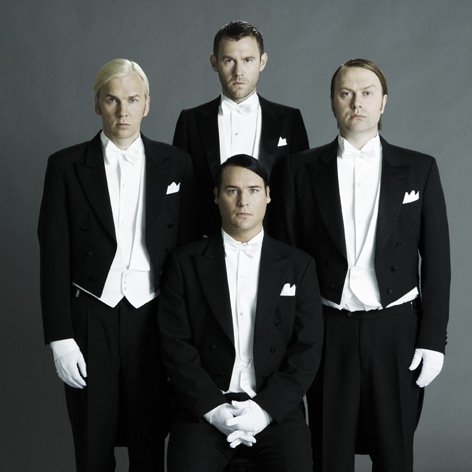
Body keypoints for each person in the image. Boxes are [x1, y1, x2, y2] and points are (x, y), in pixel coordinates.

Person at [268, 58, 450, 472]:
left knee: (395, 455)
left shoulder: (420, 168)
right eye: (346, 93)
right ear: (332, 101)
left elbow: (438, 261)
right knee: (328, 454)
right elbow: (285, 263)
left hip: (398, 331)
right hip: (328, 330)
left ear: (383, 102)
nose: (357, 102)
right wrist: (289, 341)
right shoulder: (298, 170)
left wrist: (432, 340)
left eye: (367, 93)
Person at [38, 58, 198, 471]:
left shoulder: (176, 163)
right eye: (112, 100)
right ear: (97, 104)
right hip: (92, 316)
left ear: (147, 104)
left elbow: (189, 253)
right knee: (93, 444)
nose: (123, 111)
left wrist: (189, 330)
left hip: (156, 316)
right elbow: (53, 254)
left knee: (151, 443)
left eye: (132, 99)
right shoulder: (65, 166)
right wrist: (60, 338)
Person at [158, 155, 323, 472]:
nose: (243, 201)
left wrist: (264, 411)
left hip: (274, 408)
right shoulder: (185, 263)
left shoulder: (298, 265)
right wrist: (214, 410)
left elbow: (308, 347)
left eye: (253, 190)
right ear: (216, 196)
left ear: (268, 195)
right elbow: (175, 345)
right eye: (232, 190)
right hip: (204, 407)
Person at [173, 20, 309, 236]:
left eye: (248, 60)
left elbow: (301, 194)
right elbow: (181, 196)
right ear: (214, 62)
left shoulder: (289, 120)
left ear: (262, 62)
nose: (238, 71)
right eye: (229, 60)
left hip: (275, 245)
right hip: (206, 245)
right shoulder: (190, 121)